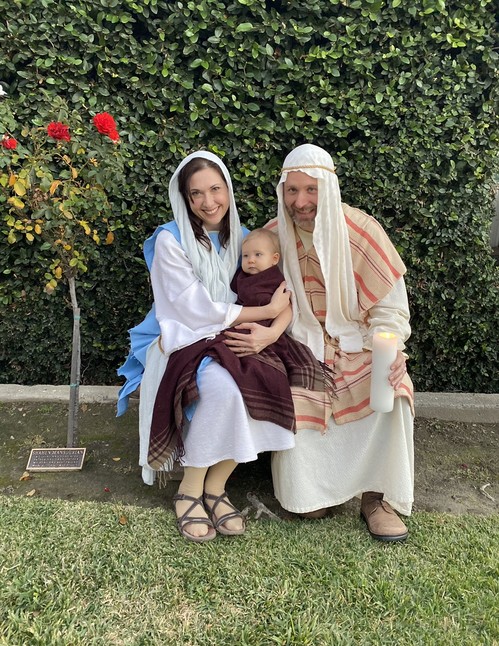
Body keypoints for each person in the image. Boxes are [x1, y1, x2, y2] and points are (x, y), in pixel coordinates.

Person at [225, 143, 414, 542]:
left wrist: (392, 346)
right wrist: (267, 333)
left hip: (357, 342)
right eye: (292, 190)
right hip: (298, 345)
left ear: (327, 189)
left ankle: (377, 498)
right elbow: (251, 297)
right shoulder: (272, 238)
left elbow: (390, 308)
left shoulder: (362, 231)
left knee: (391, 386)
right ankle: (311, 493)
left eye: (310, 189)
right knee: (308, 504)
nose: (301, 201)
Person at [118, 151, 293, 543]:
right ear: (184, 198)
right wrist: (265, 312)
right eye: (196, 193)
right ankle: (189, 490)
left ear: (228, 189)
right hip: (183, 334)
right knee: (224, 392)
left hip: (234, 333)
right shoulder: (171, 239)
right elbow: (191, 308)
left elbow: (282, 293)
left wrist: (270, 332)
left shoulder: (244, 238)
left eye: (215, 189)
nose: (208, 201)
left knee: (267, 381)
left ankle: (215, 488)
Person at [148, 228, 334, 471]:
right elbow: (223, 305)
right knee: (225, 364)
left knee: (257, 372)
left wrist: (272, 332)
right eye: (246, 256)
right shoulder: (240, 276)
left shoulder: (274, 279)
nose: (251, 261)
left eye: (258, 255)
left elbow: (285, 306)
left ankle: (218, 476)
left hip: (265, 333)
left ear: (274, 259)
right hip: (235, 327)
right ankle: (203, 475)